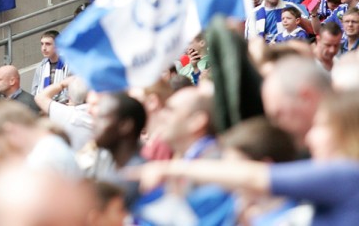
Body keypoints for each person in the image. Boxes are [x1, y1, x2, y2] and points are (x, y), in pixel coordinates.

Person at [137, 92, 359, 226]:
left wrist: (169, 170)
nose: (310, 138)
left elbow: (254, 176)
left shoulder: (350, 176)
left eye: (321, 126)